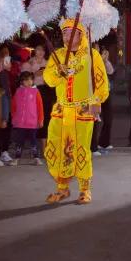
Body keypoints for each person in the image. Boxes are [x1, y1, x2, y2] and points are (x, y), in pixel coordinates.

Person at [42, 18, 109, 204]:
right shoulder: (58, 55)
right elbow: (48, 79)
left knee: (81, 151)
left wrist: (96, 102)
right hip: (61, 112)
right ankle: (62, 189)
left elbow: (102, 83)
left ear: (81, 34)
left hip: (82, 111)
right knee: (56, 150)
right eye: (64, 32)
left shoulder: (91, 55)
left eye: (71, 32)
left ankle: (84, 190)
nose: (67, 35)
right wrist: (58, 71)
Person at [20, 42, 53, 158]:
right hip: (33, 91)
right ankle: (34, 146)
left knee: (46, 116)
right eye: (38, 49)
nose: (40, 52)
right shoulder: (30, 62)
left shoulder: (48, 62)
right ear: (34, 51)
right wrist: (34, 74)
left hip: (47, 91)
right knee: (35, 117)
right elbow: (23, 77)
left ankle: (46, 146)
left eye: (42, 50)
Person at [11, 71, 43, 165]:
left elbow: (40, 107)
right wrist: (14, 117)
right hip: (20, 123)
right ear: (22, 82)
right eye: (25, 80)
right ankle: (16, 158)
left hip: (32, 122)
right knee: (19, 142)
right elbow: (13, 106)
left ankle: (36, 157)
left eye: (30, 79)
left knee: (33, 141)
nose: (28, 82)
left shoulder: (36, 92)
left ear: (33, 80)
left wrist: (40, 120)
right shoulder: (18, 91)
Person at [96, 43, 117, 153]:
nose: (97, 49)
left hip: (105, 92)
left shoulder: (102, 60)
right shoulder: (90, 60)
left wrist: (105, 60)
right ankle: (93, 145)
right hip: (95, 93)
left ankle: (104, 142)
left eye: (98, 47)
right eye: (95, 47)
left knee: (108, 118)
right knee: (94, 120)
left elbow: (111, 71)